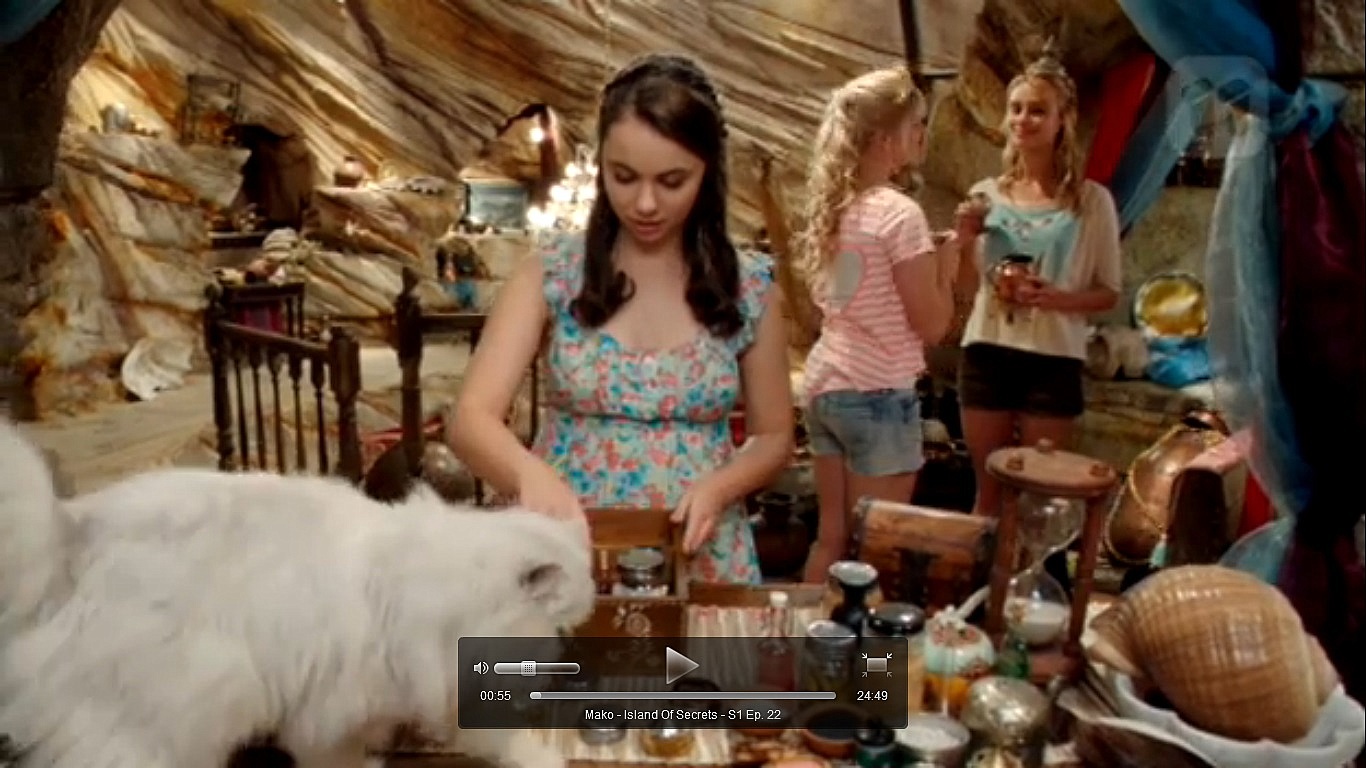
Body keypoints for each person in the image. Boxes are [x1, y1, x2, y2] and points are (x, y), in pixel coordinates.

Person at [448, 53, 794, 584]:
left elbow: (773, 437)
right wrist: (528, 475)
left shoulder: (747, 287)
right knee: (549, 642)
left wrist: (721, 487)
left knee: (693, 644)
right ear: (600, 164)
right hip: (567, 542)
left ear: (707, 172)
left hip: (700, 547)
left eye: (672, 181)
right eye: (624, 177)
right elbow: (470, 418)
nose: (645, 203)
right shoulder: (552, 273)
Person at [796, 66, 960, 583]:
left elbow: (843, 300)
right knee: (875, 555)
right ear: (886, 140)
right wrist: (948, 271)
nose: (923, 135)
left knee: (831, 539)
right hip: (877, 393)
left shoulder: (838, 210)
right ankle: (866, 644)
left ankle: (806, 634)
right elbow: (932, 326)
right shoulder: (899, 215)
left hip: (827, 385)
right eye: (916, 125)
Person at [952, 50, 1123, 519]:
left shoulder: (1091, 202)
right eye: (1017, 109)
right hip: (987, 351)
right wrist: (963, 241)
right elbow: (966, 289)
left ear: (1062, 120)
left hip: (1053, 360)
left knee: (1037, 496)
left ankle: (1030, 570)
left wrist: (1058, 299)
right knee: (987, 491)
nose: (1023, 120)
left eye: (1037, 110)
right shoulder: (985, 196)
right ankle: (980, 569)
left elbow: (1109, 292)